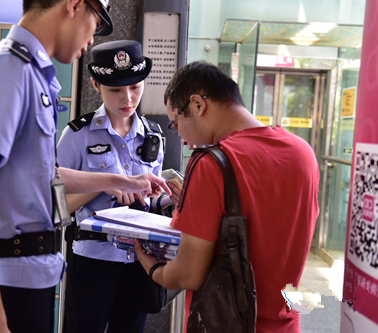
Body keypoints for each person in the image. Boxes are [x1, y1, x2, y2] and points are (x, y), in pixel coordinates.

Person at [0, 1, 170, 332]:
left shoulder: (32, 74)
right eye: (98, 20)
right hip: (7, 284)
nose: (93, 38)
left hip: (31, 275)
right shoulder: (10, 70)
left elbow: (42, 175)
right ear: (75, 5)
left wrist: (126, 182)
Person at [134, 61, 320, 333]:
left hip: (223, 323)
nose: (182, 139)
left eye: (176, 124)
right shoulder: (303, 153)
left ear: (197, 105)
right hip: (285, 324)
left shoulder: (211, 164)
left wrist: (154, 270)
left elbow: (190, 273)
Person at [57, 40, 181, 333]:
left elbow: (147, 206)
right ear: (96, 85)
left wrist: (166, 197)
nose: (128, 98)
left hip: (140, 260)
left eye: (135, 87)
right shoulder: (77, 135)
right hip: (92, 260)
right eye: (115, 89)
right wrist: (104, 185)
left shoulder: (153, 135)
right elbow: (56, 205)